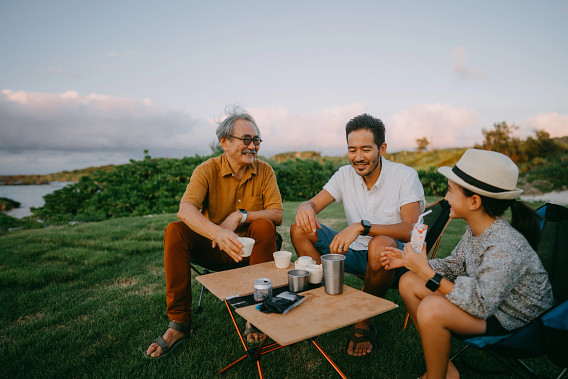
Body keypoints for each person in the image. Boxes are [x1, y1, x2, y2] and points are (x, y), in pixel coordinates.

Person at [380, 149, 554, 379]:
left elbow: (481, 306)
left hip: (514, 321)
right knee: (408, 281)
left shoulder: (505, 246)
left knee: (431, 309)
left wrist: (427, 272)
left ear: (474, 201)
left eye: (451, 190)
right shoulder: (476, 230)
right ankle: (446, 369)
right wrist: (411, 262)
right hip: (487, 303)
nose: (446, 198)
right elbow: (455, 265)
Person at [145, 106, 283, 358]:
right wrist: (218, 234)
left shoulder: (265, 170)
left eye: (256, 140)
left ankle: (256, 315)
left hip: (253, 253)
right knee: (175, 231)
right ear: (224, 142)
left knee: (264, 224)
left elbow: (277, 214)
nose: (253, 146)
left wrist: (240, 215)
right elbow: (185, 210)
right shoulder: (206, 170)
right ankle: (178, 323)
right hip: (214, 248)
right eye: (246, 140)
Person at [290, 113, 425, 356]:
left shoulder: (405, 176)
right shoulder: (344, 174)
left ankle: (364, 323)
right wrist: (305, 207)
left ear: (382, 148)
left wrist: (362, 227)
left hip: (393, 260)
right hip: (352, 253)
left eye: (366, 149)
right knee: (299, 228)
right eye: (352, 150)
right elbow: (312, 204)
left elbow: (411, 230)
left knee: (380, 243)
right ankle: (323, 298)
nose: (358, 157)